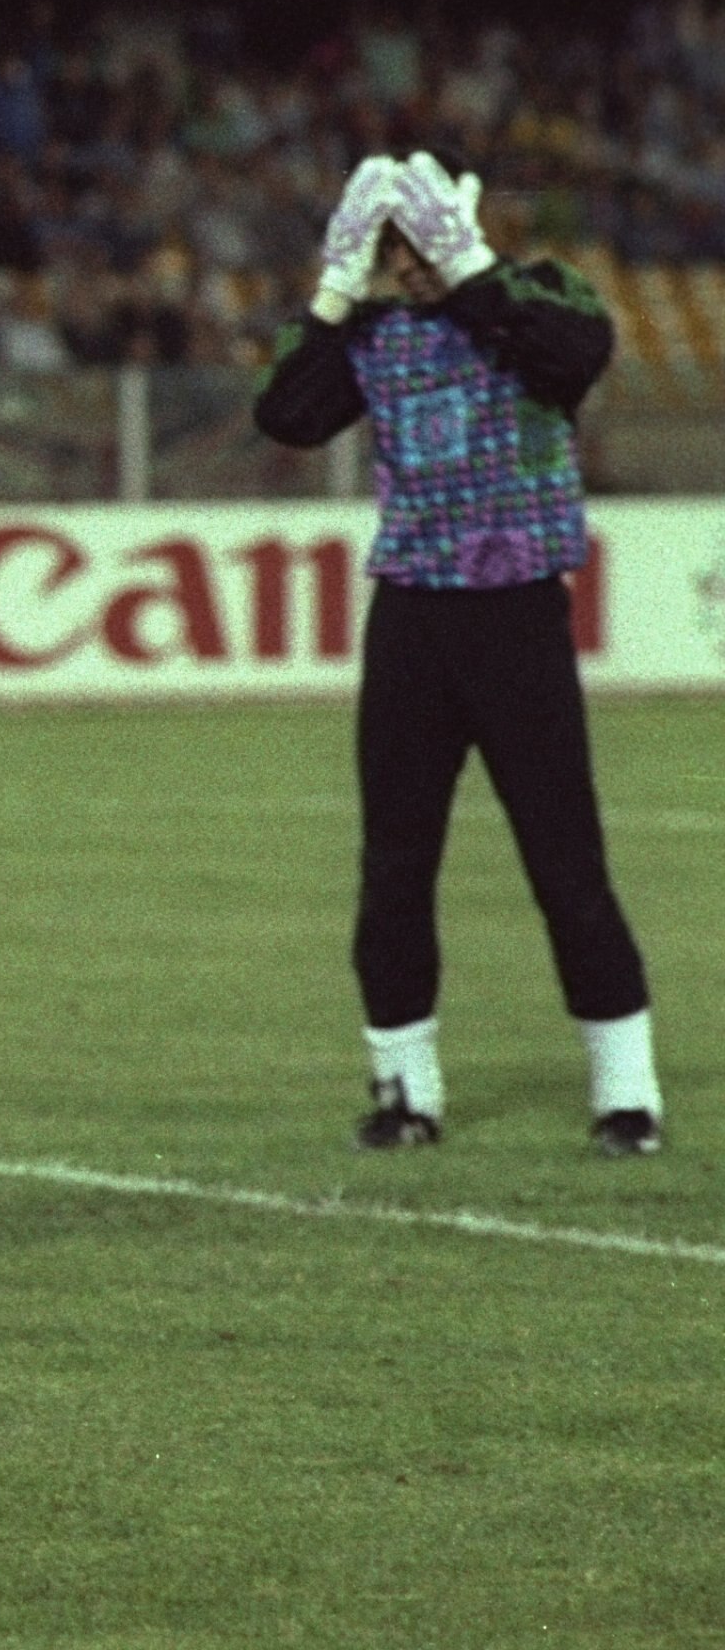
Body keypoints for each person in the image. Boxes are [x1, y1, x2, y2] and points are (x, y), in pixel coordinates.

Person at [253, 153, 665, 1157]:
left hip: (516, 611)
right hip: (413, 620)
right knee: (395, 866)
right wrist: (335, 292)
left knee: (566, 863)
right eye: (393, 248)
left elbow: (576, 357)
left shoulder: (539, 299)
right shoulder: (378, 333)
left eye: (415, 242)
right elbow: (286, 415)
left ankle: (628, 1094)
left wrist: (472, 270)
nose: (410, 265)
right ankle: (406, 1090)